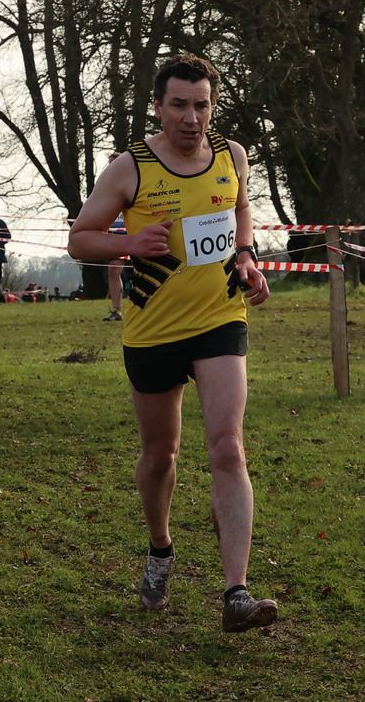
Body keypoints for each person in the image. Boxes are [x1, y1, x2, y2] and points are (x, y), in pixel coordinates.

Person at [67, 52, 277, 633]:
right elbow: (80, 240)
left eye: (201, 105)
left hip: (220, 317)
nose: (192, 117)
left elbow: (239, 210)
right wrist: (129, 243)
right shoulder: (129, 168)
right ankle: (160, 548)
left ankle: (236, 592)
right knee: (161, 455)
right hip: (153, 329)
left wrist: (246, 257)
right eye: (179, 105)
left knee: (227, 447)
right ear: (158, 107)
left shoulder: (233, 156)